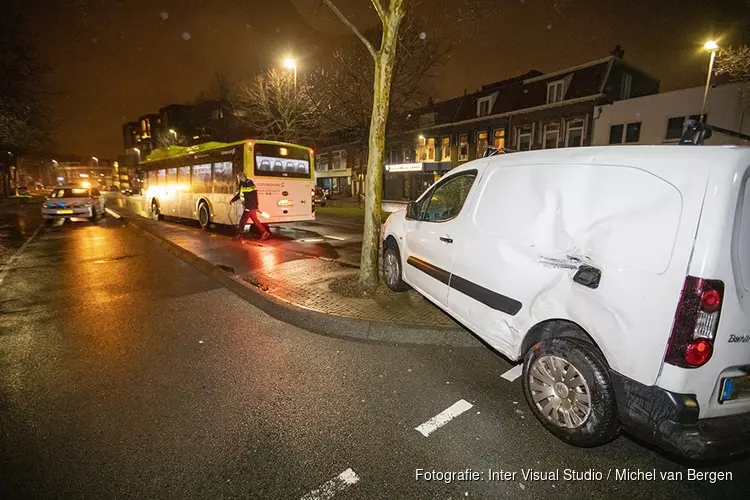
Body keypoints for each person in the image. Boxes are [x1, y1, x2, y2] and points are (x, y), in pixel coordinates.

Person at [230, 172, 271, 241]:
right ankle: (264, 232)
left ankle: (239, 235)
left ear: (241, 177)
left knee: (242, 221)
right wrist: (232, 200)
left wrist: (252, 207)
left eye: (238, 178)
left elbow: (253, 196)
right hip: (250, 206)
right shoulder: (243, 184)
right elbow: (240, 195)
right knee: (255, 220)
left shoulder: (249, 184)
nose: (238, 180)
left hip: (249, 207)